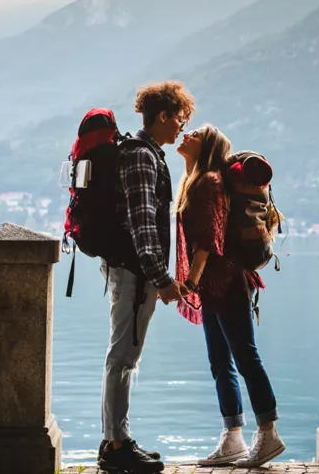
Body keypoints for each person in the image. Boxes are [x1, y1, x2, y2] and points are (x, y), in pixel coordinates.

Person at [97, 81, 195, 474]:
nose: (182, 129)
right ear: (162, 116)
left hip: (133, 271)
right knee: (123, 355)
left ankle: (116, 439)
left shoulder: (147, 153)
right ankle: (116, 446)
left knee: (125, 356)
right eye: (180, 120)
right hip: (135, 273)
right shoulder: (142, 157)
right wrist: (161, 278)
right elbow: (143, 225)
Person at [174, 124, 286, 467]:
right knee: (220, 362)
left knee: (244, 357)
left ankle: (268, 434)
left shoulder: (209, 182)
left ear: (206, 145)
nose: (185, 135)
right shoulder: (198, 179)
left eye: (193, 132)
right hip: (215, 285)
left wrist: (190, 282)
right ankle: (232, 437)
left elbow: (210, 239)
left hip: (227, 281)